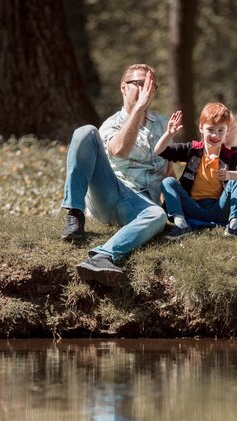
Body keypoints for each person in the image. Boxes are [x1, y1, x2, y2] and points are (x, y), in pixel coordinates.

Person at [60, 63, 169, 286]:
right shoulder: (112, 123)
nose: (145, 90)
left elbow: (168, 170)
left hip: (141, 203)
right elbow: (120, 150)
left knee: (157, 216)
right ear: (123, 88)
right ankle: (75, 213)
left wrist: (178, 211)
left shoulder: (164, 124)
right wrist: (138, 109)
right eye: (139, 84)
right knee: (84, 132)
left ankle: (103, 256)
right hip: (111, 193)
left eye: (150, 85)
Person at [156, 103, 237, 241]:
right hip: (192, 207)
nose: (215, 135)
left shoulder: (230, 155)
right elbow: (159, 151)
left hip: (219, 208)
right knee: (168, 182)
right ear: (201, 128)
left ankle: (235, 225)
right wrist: (169, 134)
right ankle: (180, 224)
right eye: (210, 129)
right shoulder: (192, 149)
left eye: (221, 130)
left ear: (227, 131)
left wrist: (229, 174)